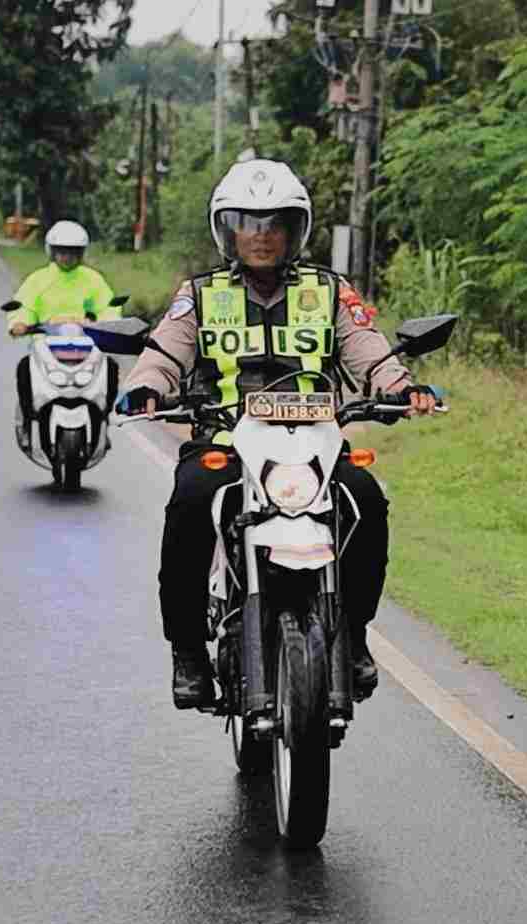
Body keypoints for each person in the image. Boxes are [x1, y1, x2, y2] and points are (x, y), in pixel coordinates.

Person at [115, 159, 439, 709]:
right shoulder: (201, 294)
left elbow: (370, 352)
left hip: (315, 442)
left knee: (366, 499)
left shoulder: (329, 291)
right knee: (190, 500)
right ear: (227, 230)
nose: (260, 235)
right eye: (247, 222)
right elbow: (164, 353)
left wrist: (403, 388)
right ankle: (188, 650)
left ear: (295, 230)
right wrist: (146, 387)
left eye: (274, 223)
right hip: (224, 438)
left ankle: (354, 633)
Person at [7, 220, 121, 437]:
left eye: (72, 252)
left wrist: (109, 324)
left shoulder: (93, 280)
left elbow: (108, 307)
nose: (67, 257)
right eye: (61, 251)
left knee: (112, 367)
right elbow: (24, 305)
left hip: (87, 344)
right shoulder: (38, 279)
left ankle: (103, 415)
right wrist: (19, 323)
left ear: (81, 253)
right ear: (52, 252)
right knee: (24, 368)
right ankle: (28, 419)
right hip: (46, 344)